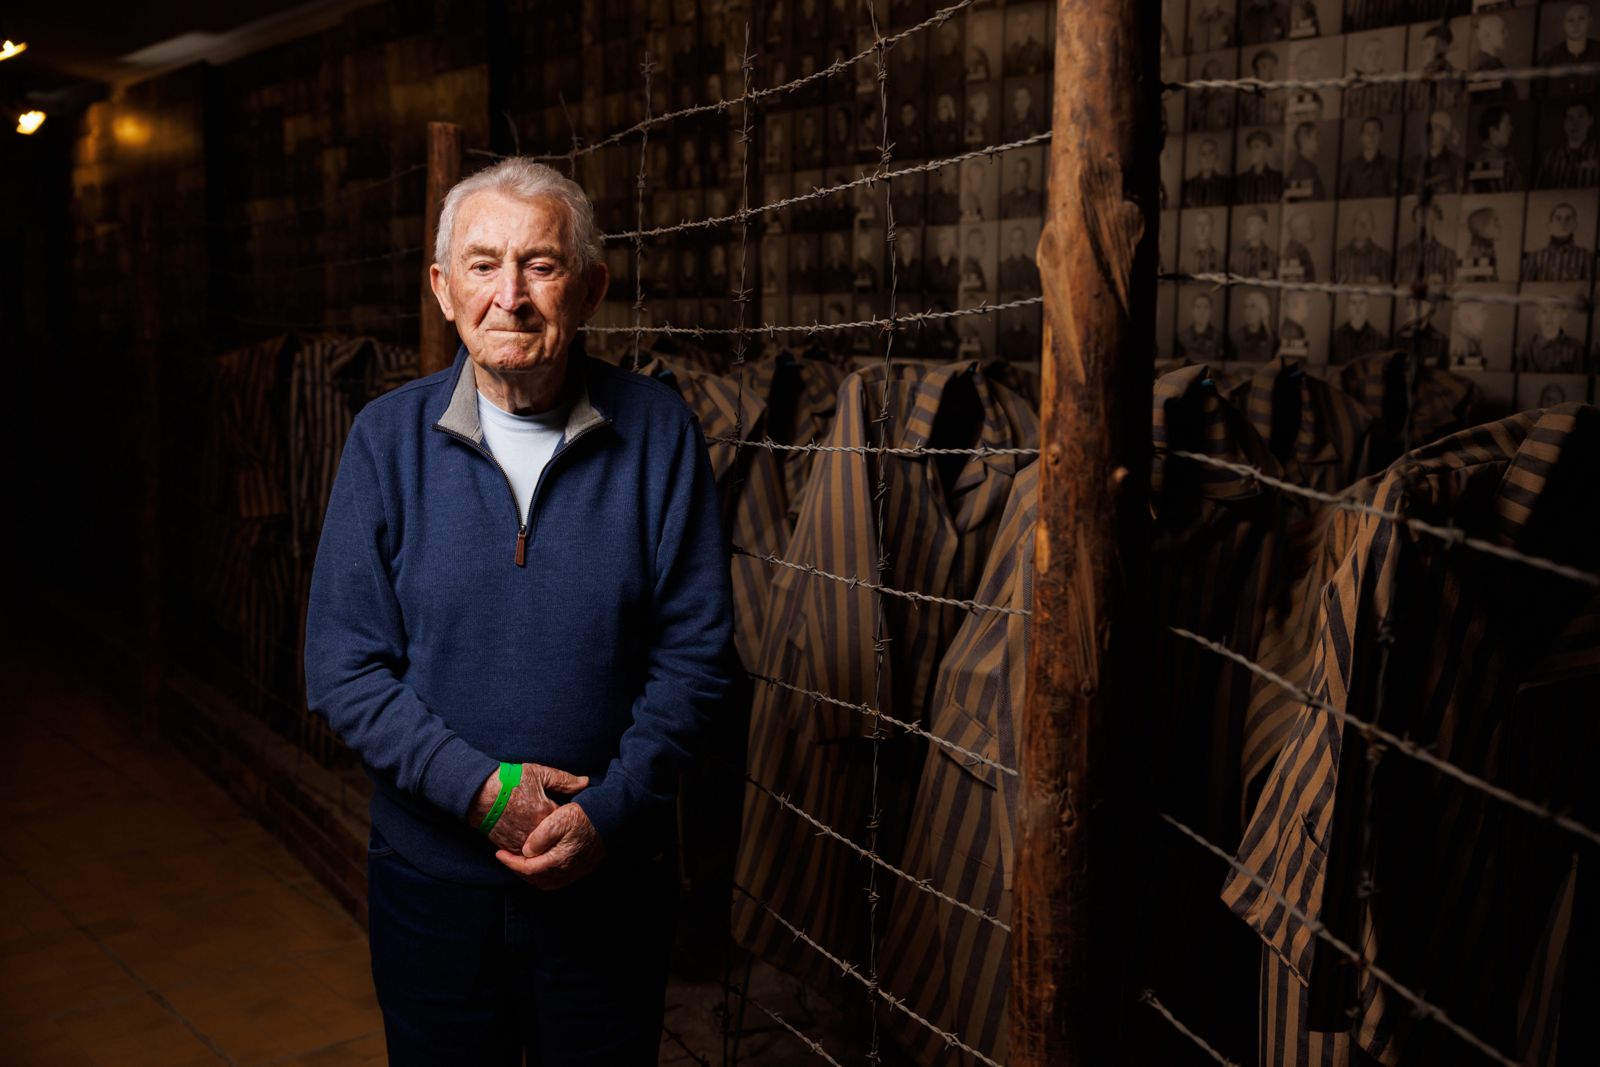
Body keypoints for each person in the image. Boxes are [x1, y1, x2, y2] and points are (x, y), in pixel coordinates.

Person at [305, 158, 734, 1064]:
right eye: (482, 265)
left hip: (610, 879)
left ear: (590, 287)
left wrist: (609, 812)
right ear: (442, 288)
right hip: (431, 886)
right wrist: (480, 791)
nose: (510, 296)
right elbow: (343, 666)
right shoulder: (386, 440)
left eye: (540, 265)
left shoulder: (659, 432)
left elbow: (697, 657)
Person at [1536, 3, 1600, 97]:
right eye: (1571, 20)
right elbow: (1538, 94)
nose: (1576, 25)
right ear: (1564, 24)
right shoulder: (1548, 58)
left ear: (1590, 21)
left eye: (1581, 19)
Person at [1521, 201, 1595, 281]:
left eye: (1568, 218)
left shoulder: (1585, 256)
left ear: (1575, 225)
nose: (1563, 223)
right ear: (1549, 225)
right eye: (1558, 218)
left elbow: (1590, 286)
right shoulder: (1535, 257)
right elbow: (1526, 286)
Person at [1535, 100, 1599, 188]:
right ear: (1564, 123)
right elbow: (1539, 190)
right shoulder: (1551, 156)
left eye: (1580, 117)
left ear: (1590, 120)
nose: (1575, 123)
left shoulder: (1597, 153)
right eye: (1570, 118)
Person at [1403, 110, 1467, 195]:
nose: (1431, 133)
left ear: (1445, 133)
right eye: (1429, 128)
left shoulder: (1456, 163)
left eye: (1436, 128)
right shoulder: (1412, 164)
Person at [1406, 23, 1465, 112]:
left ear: (1446, 49)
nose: (1431, 51)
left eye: (1436, 46)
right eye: (1426, 46)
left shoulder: (1459, 78)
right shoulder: (1412, 83)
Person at [1396, 199, 1457, 285]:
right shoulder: (1401, 254)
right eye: (1419, 220)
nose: (1422, 225)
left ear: (1436, 222)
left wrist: (1440, 284)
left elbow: (1451, 287)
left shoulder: (1448, 255)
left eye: (1428, 220)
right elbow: (1394, 286)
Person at [1517, 299, 1587, 371]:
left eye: (1554, 312)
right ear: (1537, 317)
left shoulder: (1576, 347)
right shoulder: (1527, 346)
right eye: (1544, 312)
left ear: (1563, 316)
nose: (1549, 317)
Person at [1339, 116, 1398, 198]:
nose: (1371, 136)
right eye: (1367, 132)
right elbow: (1341, 198)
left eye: (1375, 132)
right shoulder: (1348, 168)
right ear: (1361, 137)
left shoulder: (1392, 166)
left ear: (1381, 135)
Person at [1469, 106, 1526, 192]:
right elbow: (1519, 193)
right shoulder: (1507, 163)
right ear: (1493, 131)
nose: (1511, 129)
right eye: (1507, 125)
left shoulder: (1471, 161)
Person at [1468, 14, 1520, 106]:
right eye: (1502, 31)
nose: (1507, 35)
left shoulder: (1494, 62)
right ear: (1487, 34)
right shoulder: (1482, 64)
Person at [1344, 36, 1402, 118]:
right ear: (1363, 58)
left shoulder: (1394, 86)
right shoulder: (1352, 88)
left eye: (1378, 53)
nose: (1374, 58)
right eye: (1369, 54)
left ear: (1384, 57)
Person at [1334, 207, 1393, 283]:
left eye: (1367, 222)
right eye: (1359, 222)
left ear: (1373, 227)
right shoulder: (1340, 256)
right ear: (1353, 226)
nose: (1363, 226)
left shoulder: (1383, 257)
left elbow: (1388, 286)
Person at [1332, 292, 1388, 365]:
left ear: (1368, 305)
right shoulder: (1335, 338)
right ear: (1347, 306)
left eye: (1362, 302)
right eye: (1353, 302)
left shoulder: (1379, 340)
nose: (1358, 307)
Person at [1235, 129, 1284, 203]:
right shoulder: (1240, 180)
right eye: (1250, 147)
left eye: (1256, 146)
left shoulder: (1278, 178)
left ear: (1266, 149)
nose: (1252, 151)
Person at [1284, 122, 1328, 201]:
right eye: (1316, 138)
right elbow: (1307, 203)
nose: (1319, 143)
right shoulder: (1302, 170)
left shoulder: (1307, 168)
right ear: (1304, 140)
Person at [1183, 137, 1232, 207]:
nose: (1207, 157)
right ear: (1199, 158)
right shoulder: (1188, 186)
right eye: (1203, 154)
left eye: (1211, 153)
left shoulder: (1226, 184)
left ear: (1217, 156)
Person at [1177, 291, 1225, 362]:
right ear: (1193, 310)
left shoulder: (1220, 338)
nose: (1202, 312)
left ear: (1211, 311)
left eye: (1206, 307)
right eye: (1198, 307)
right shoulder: (1182, 338)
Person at [1232, 207, 1279, 278]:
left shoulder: (1273, 257)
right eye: (1246, 223)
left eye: (1251, 222)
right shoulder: (1235, 256)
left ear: (1263, 226)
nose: (1246, 227)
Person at [1458, 207, 1501, 282]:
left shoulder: (1487, 251)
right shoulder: (1476, 255)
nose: (1499, 226)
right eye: (1495, 222)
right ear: (1481, 229)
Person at [1232, 291, 1277, 361]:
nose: (1247, 312)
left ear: (1262, 310)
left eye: (1253, 307)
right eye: (1245, 307)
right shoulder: (1237, 336)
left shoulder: (1271, 337)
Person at [1000, 224, 1042, 292]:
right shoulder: (1003, 268)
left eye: (1020, 239)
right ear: (1010, 244)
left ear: (1025, 242)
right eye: (1014, 240)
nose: (1017, 244)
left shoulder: (1032, 267)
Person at [1279, 211, 1317, 282]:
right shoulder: (1293, 252)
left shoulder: (1301, 250)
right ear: (1299, 230)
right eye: (1310, 226)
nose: (1313, 230)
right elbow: (1292, 282)